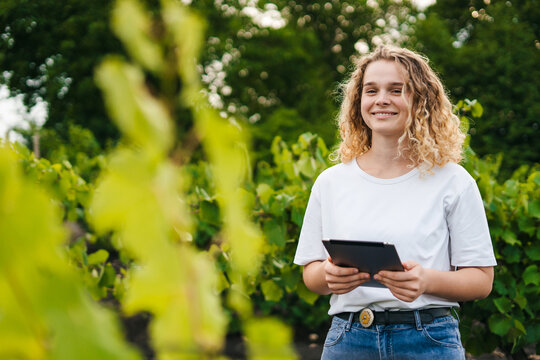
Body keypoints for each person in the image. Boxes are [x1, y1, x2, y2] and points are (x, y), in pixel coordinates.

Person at [293, 45, 496, 359]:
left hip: (428, 341)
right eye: (371, 90)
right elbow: (312, 274)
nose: (381, 100)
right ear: (359, 101)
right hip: (348, 341)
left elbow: (481, 280)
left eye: (396, 90)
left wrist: (425, 280)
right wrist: (328, 275)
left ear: (420, 100)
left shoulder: (453, 181)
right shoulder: (331, 182)